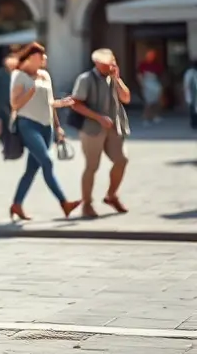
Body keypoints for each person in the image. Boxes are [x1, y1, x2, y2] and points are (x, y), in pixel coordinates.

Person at [8, 43, 81, 221]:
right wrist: (31, 91)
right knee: (47, 162)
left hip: (46, 126)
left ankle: (16, 205)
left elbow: (50, 104)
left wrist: (58, 124)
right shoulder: (19, 76)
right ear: (33, 58)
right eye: (42, 57)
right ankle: (64, 203)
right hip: (28, 125)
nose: (45, 60)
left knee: (31, 169)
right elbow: (15, 105)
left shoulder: (45, 76)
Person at [70, 48, 131, 218]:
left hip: (113, 128)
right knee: (92, 166)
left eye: (111, 63)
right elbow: (76, 104)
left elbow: (126, 98)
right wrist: (98, 117)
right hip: (92, 129)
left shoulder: (113, 78)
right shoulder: (85, 79)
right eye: (105, 64)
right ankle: (87, 204)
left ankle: (111, 195)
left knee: (121, 160)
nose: (109, 66)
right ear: (97, 63)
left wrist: (117, 79)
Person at [0, 54, 17, 141]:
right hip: (2, 102)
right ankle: (2, 136)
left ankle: (11, 136)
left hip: (13, 101)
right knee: (2, 119)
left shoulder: (16, 74)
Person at [137, 49, 165, 124]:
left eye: (152, 55)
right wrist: (142, 84)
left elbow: (160, 75)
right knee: (148, 101)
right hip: (147, 83)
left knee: (156, 101)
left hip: (155, 83)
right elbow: (139, 75)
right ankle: (146, 117)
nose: (151, 57)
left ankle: (155, 116)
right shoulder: (143, 64)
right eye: (149, 55)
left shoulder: (156, 64)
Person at [185, 59, 197, 130]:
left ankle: (194, 123)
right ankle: (194, 123)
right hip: (193, 93)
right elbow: (187, 84)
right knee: (193, 109)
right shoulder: (190, 73)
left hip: (193, 93)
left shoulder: (189, 72)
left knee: (193, 108)